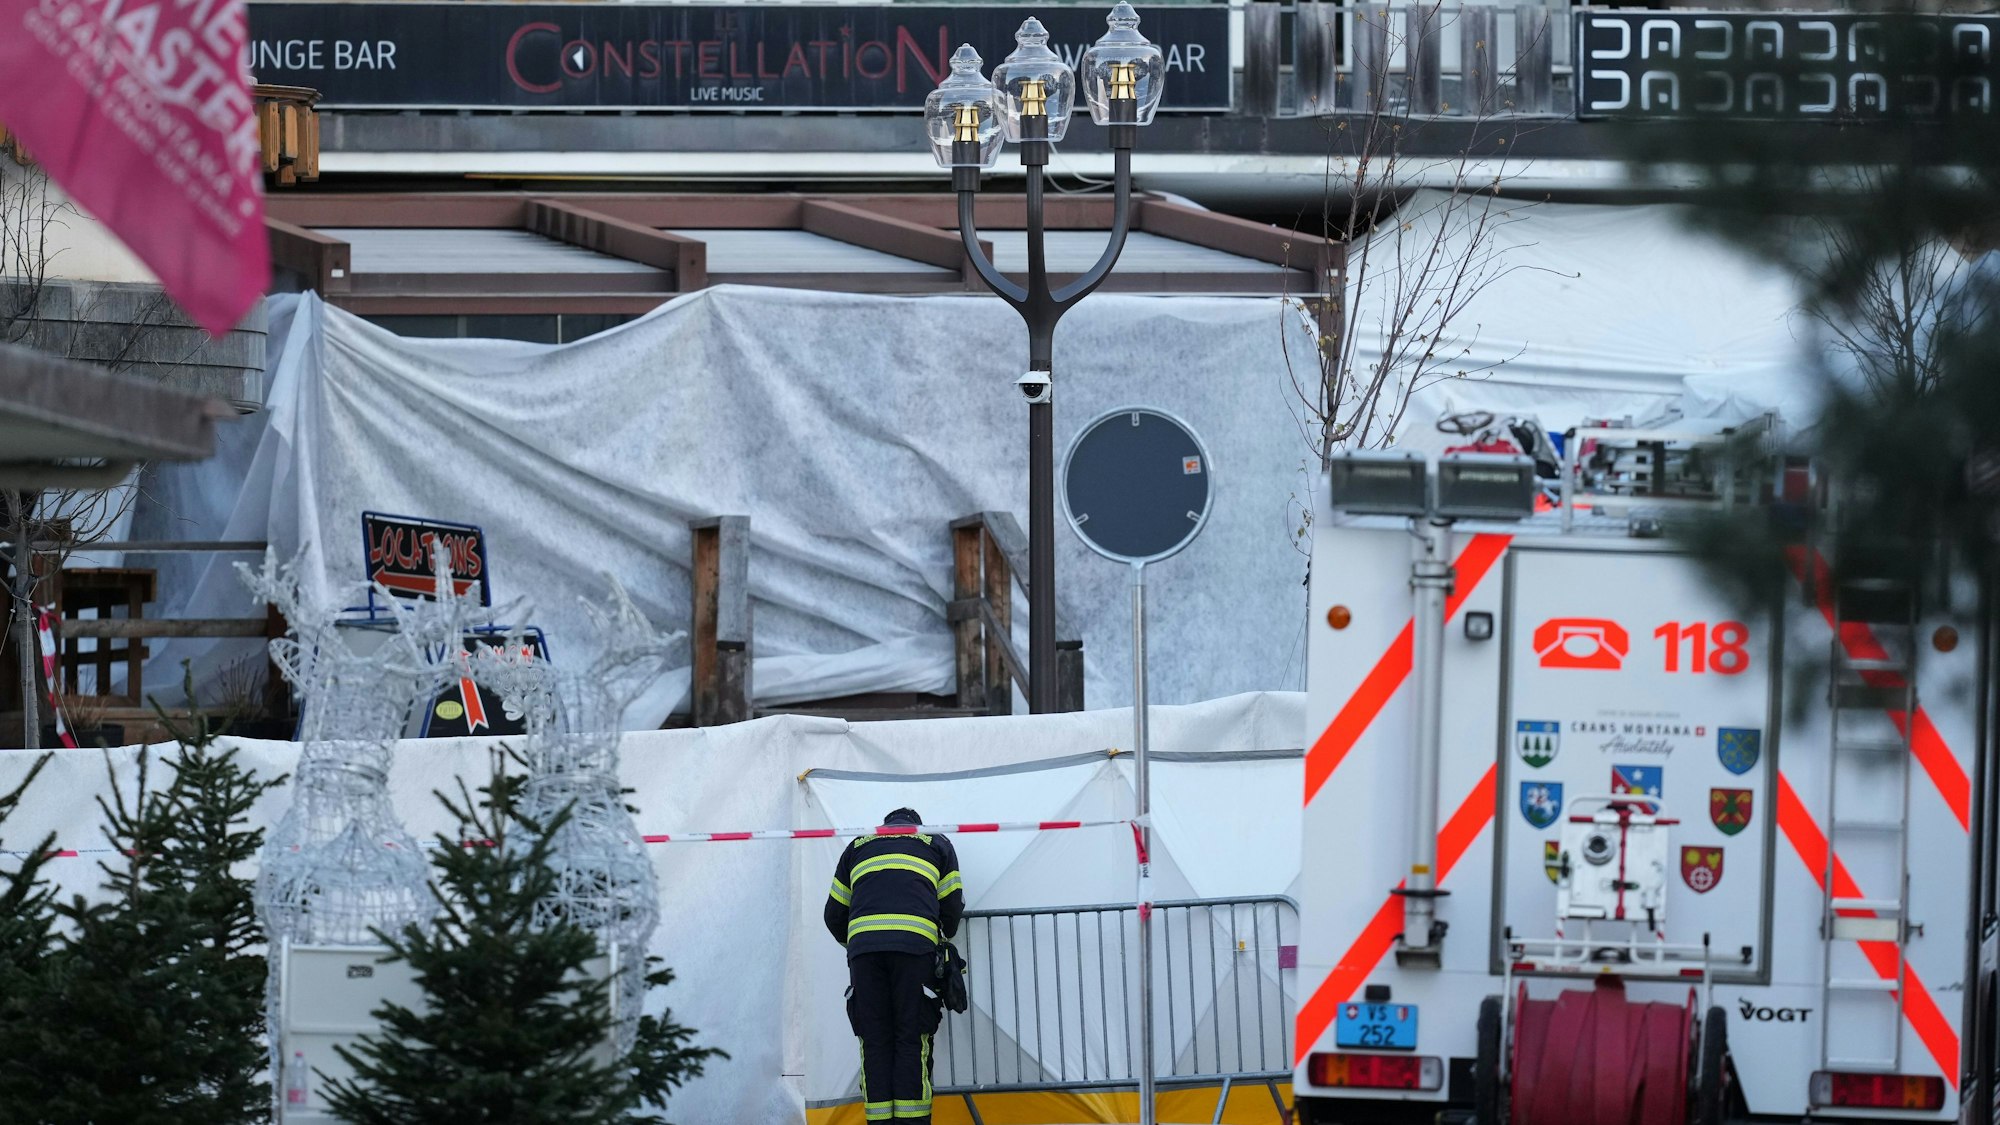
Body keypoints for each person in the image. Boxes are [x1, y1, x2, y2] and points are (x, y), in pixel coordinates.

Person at [824, 807, 964, 1124]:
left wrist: (862, 944)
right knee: (911, 1040)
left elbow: (833, 915)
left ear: (885, 826)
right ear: (917, 825)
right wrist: (937, 935)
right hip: (915, 952)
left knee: (874, 1041)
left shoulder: (858, 846)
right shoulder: (935, 843)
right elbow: (952, 906)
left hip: (865, 956)